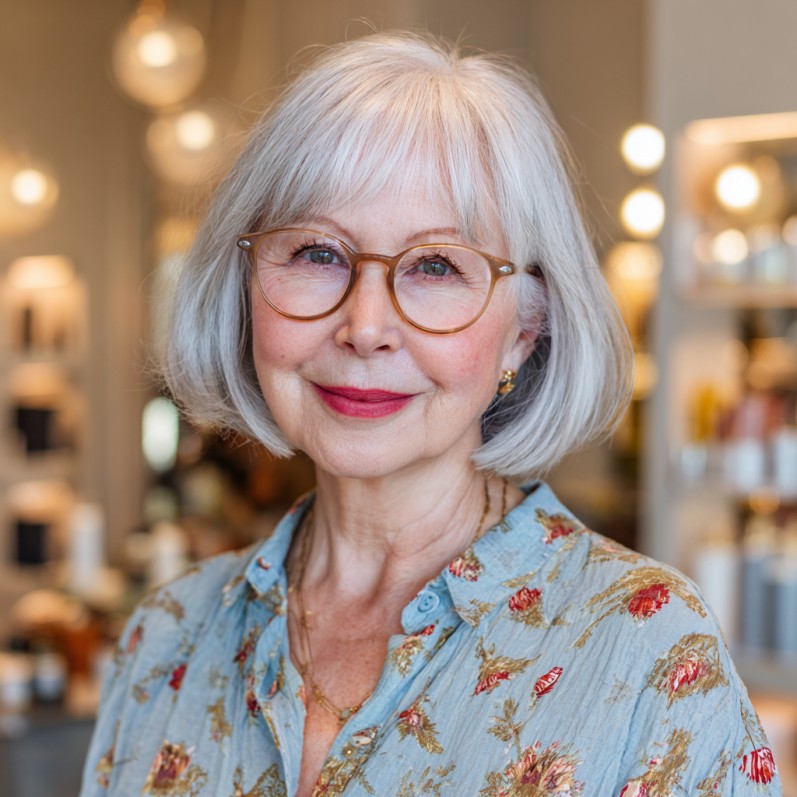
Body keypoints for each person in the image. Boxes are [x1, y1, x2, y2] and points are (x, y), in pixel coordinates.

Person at [80, 31, 780, 797]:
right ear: (245, 285)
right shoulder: (166, 636)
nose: (365, 326)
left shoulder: (651, 653)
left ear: (525, 327)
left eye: (435, 266)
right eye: (317, 253)